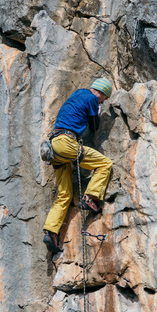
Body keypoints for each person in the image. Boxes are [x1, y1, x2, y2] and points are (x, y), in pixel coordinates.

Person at [43, 78, 113, 254]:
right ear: (101, 92)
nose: (103, 101)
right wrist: (98, 110)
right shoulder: (91, 99)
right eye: (104, 97)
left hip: (54, 146)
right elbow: (95, 126)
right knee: (104, 163)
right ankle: (90, 198)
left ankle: (51, 231)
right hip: (67, 143)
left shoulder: (77, 93)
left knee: (64, 194)